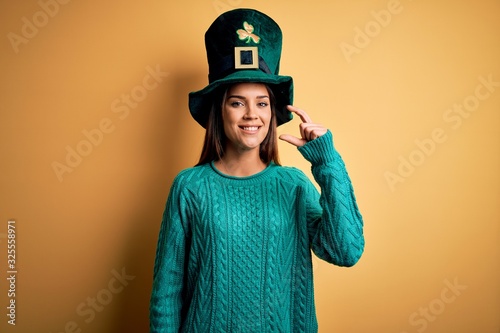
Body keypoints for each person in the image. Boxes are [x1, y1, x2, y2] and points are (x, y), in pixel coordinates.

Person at [150, 8, 364, 333]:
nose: (252, 114)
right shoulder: (189, 186)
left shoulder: (293, 185)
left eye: (262, 103)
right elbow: (167, 290)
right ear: (218, 111)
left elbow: (345, 251)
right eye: (237, 102)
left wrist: (327, 161)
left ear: (273, 113)